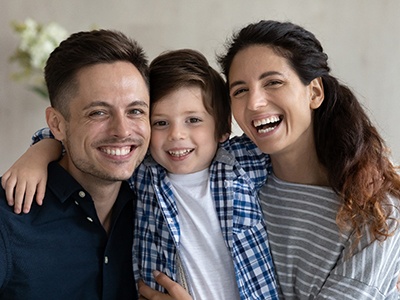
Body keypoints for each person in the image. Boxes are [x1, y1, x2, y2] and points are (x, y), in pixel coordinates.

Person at [2, 49, 279, 299]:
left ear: (222, 129)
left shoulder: (239, 162)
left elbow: (288, 138)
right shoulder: (145, 173)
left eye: (193, 120)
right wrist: (40, 151)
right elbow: (79, 140)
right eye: (160, 123)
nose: (177, 135)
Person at [216, 20, 400, 299]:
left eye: (273, 82)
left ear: (314, 92)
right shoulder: (236, 193)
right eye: (240, 90)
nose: (254, 103)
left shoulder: (376, 212)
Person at [0, 29, 151, 299]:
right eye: (98, 112)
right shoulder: (7, 222)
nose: (122, 130)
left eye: (136, 111)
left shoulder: (157, 209)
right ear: (56, 124)